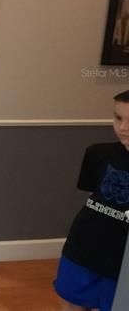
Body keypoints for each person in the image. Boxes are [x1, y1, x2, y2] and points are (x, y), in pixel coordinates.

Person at [55, 90, 129, 311]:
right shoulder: (98, 153)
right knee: (70, 298)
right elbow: (93, 197)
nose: (123, 128)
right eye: (118, 118)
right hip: (85, 244)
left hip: (122, 258)